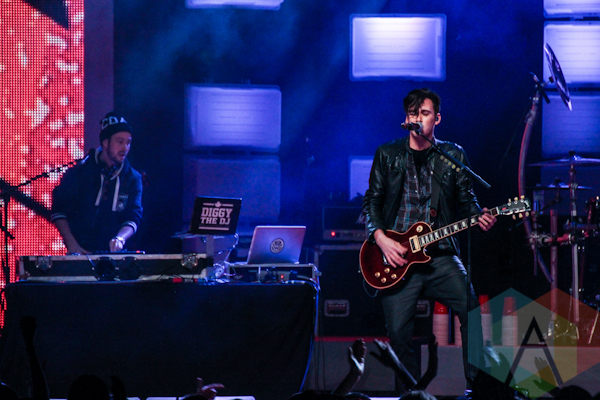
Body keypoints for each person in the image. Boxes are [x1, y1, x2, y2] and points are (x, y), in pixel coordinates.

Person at [362, 88, 497, 389]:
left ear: (437, 118)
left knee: (471, 310)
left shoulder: (452, 156)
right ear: (406, 118)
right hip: (397, 256)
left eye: (424, 113)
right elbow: (372, 202)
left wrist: (480, 216)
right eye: (413, 113)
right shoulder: (388, 154)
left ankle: (477, 389)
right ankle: (411, 393)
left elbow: (467, 201)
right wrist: (381, 238)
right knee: (398, 335)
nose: (418, 119)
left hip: (440, 255)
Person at [51, 112, 143, 254]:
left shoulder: (132, 178)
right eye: (120, 142)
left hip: (116, 256)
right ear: (105, 143)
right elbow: (59, 210)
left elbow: (133, 216)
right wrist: (72, 246)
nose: (125, 148)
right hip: (81, 253)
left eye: (128, 142)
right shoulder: (79, 173)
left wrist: (120, 238)